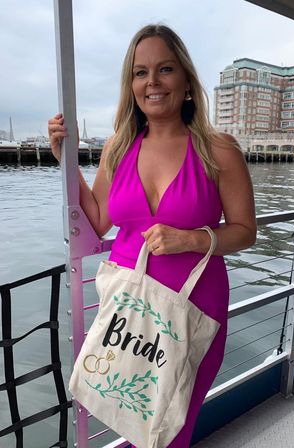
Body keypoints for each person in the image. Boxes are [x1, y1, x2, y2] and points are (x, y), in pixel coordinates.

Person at [48, 24, 256, 448]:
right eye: (140, 73)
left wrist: (193, 239)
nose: (153, 82)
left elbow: (245, 231)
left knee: (173, 423)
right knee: (124, 413)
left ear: (186, 80)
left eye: (165, 69)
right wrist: (64, 162)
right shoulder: (118, 148)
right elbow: (100, 220)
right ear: (131, 85)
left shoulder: (219, 149)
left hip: (192, 308)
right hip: (127, 309)